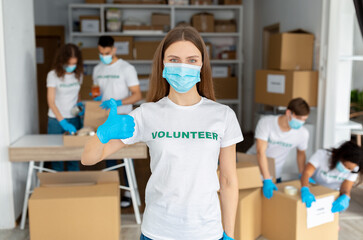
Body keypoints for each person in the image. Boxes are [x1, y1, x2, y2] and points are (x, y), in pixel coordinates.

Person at [82, 26, 243, 240]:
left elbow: (228, 180)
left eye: (192, 60)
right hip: (157, 232)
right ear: (163, 64)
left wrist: (229, 235)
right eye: (174, 59)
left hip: (206, 232)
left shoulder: (223, 116)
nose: (183, 66)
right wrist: (102, 133)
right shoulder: (147, 114)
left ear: (202, 65)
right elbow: (88, 158)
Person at [93, 35, 142, 207]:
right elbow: (96, 91)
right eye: (100, 52)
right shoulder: (97, 69)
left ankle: (129, 193)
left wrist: (118, 103)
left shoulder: (126, 68)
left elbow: (137, 94)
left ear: (114, 50)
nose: (103, 55)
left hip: (122, 119)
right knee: (108, 156)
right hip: (105, 119)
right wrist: (96, 98)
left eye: (106, 52)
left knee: (126, 158)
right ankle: (113, 191)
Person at [247, 98, 310, 199]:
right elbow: (260, 152)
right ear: (288, 112)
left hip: (276, 174)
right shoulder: (266, 123)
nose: (301, 122)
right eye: (299, 118)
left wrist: (302, 174)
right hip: (252, 169)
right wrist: (267, 179)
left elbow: (301, 153)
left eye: (304, 120)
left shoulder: (302, 134)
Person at [47, 43, 83, 171]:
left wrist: (79, 105)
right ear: (61, 61)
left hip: (74, 118)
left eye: (74, 64)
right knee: (57, 158)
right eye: (69, 64)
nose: (71, 67)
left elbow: (77, 95)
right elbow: (51, 101)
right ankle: (59, 189)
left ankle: (75, 188)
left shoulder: (78, 75)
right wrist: (62, 121)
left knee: (74, 157)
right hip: (56, 120)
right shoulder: (53, 75)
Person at [300, 141, 363, 213]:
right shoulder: (322, 155)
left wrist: (346, 197)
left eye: (349, 169)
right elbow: (307, 172)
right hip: (313, 188)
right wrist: (305, 189)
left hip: (331, 193)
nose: (346, 169)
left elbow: (345, 188)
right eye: (345, 165)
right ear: (339, 156)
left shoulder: (355, 169)